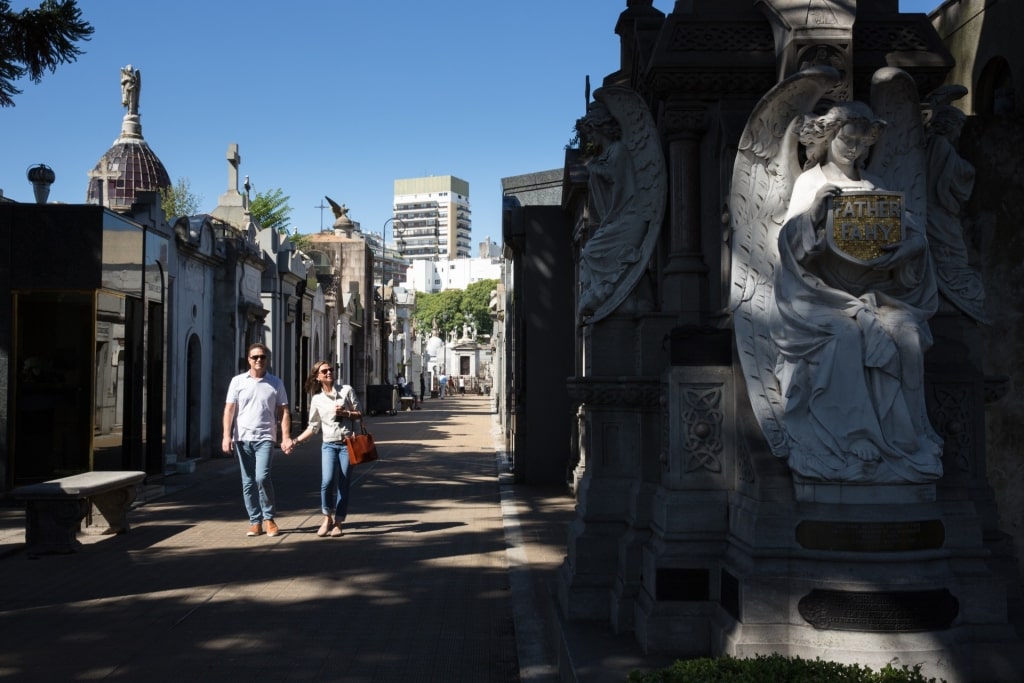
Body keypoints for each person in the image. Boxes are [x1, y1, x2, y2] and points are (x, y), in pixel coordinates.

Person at [770, 101, 942, 483]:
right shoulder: (811, 183)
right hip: (818, 296)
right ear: (830, 137)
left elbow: (914, 239)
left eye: (864, 143)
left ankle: (904, 433)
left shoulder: (876, 185)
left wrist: (908, 250)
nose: (855, 149)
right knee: (846, 334)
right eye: (848, 139)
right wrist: (814, 213)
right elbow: (788, 247)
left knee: (907, 334)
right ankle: (852, 434)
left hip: (877, 294)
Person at [222, 343, 294, 537]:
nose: (259, 360)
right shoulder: (237, 382)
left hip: (265, 437)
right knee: (248, 481)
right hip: (242, 438)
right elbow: (229, 410)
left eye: (262, 357)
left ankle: (269, 518)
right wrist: (226, 435)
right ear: (249, 359)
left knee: (262, 477)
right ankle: (255, 521)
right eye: (255, 357)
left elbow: (284, 411)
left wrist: (285, 437)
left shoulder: (275, 383)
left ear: (267, 359)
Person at [289, 361, 362, 537]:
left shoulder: (346, 390)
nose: (329, 372)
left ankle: (339, 522)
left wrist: (346, 413)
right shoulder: (317, 400)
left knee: (344, 483)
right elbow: (313, 427)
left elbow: (360, 414)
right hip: (328, 445)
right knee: (327, 481)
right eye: (325, 371)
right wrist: (295, 441)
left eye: (331, 369)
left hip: (347, 444)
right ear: (317, 376)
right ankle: (326, 517)